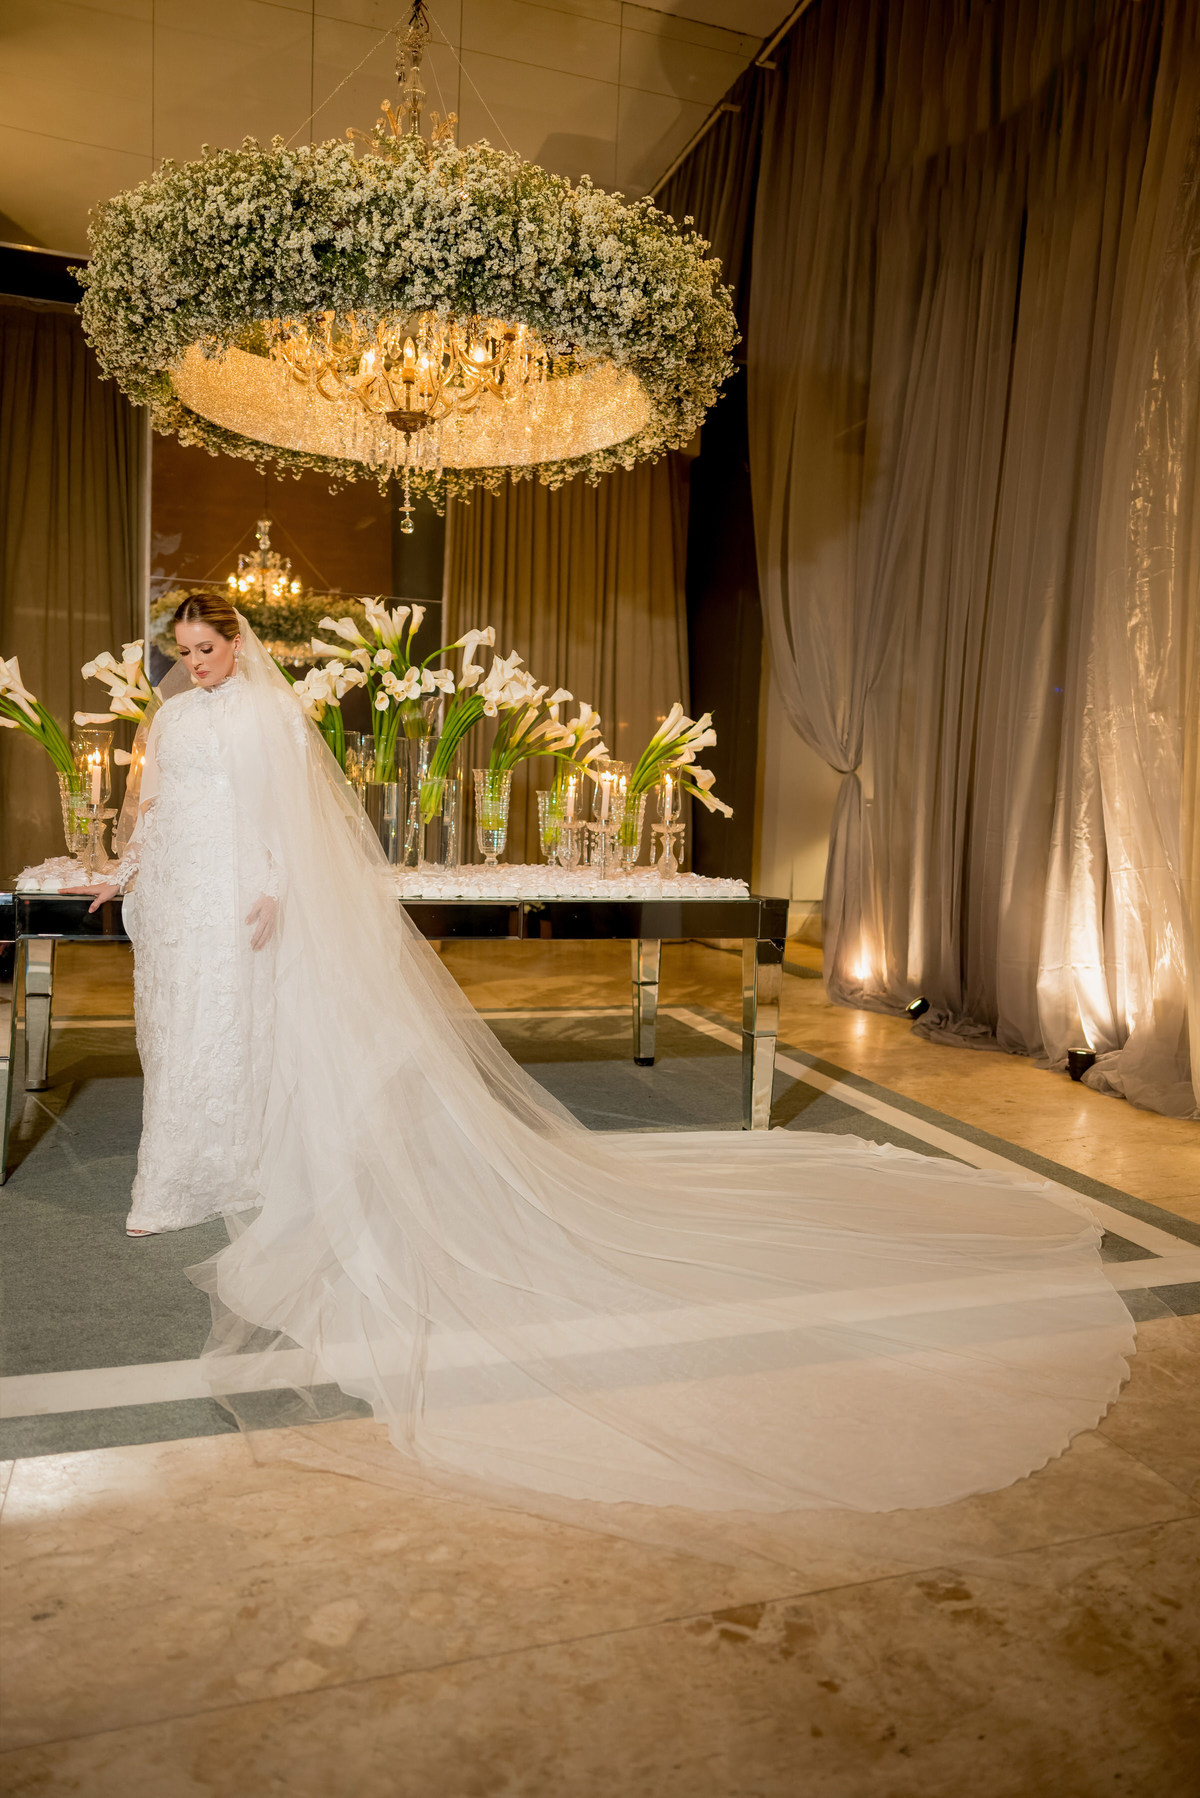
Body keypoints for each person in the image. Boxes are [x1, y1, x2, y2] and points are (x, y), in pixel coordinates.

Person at [69, 596, 1134, 1518]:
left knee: (235, 1032)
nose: (194, 665)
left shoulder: (268, 713)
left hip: (242, 893)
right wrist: (125, 868)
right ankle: (185, 1169)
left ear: (238, 643)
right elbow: (152, 804)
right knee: (183, 1031)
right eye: (184, 652)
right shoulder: (172, 714)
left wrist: (274, 886)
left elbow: (286, 813)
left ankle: (222, 1167)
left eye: (207, 649)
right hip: (180, 897)